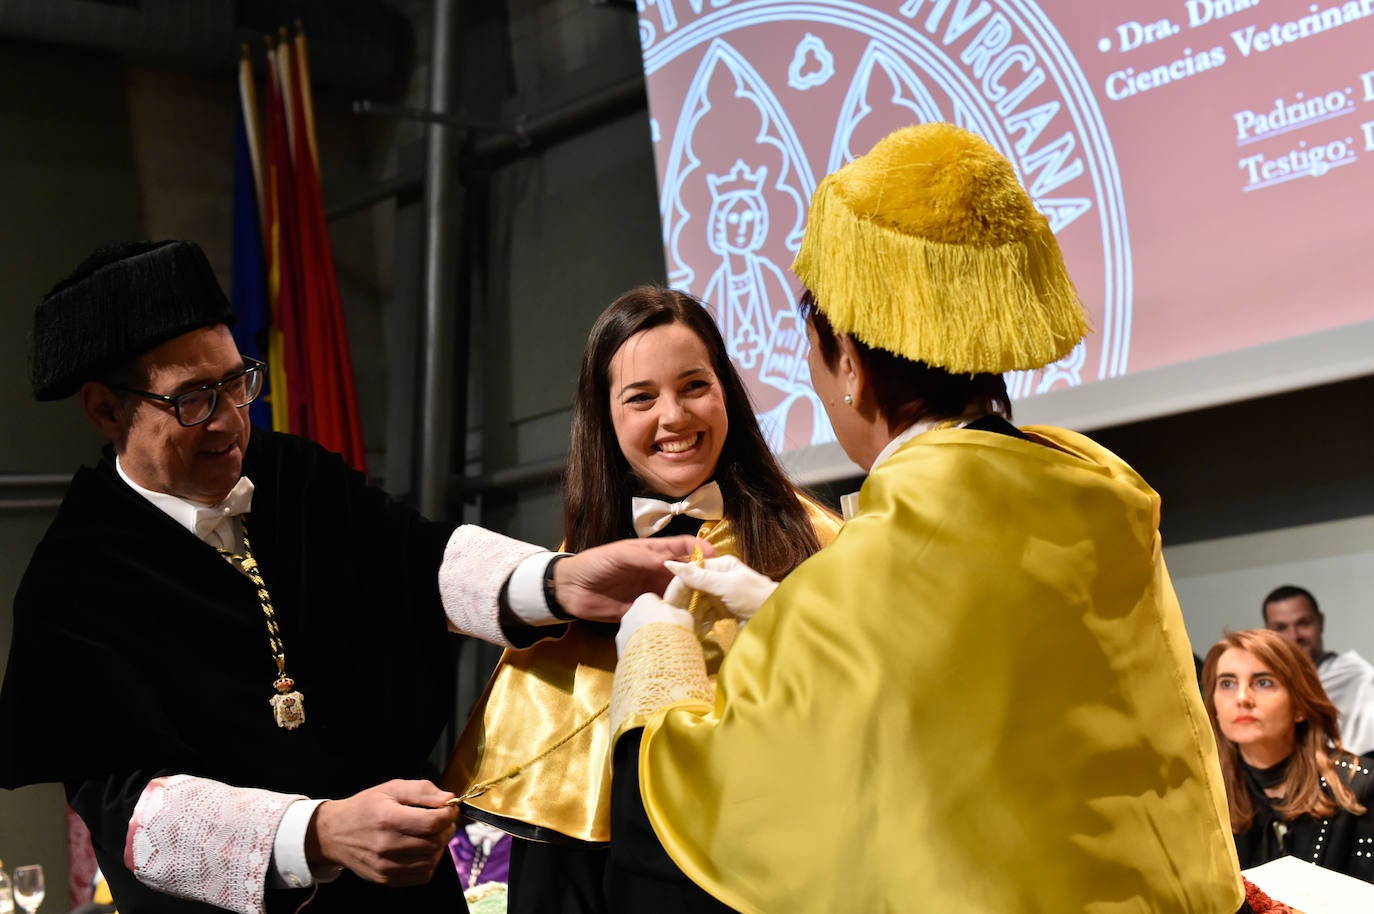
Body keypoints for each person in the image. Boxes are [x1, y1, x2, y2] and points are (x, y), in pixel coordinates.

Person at [603, 123, 1248, 912]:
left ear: (848, 360)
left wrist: (657, 664)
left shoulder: (877, 561)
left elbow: (713, 829)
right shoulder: (1100, 494)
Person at [0, 241, 705, 914]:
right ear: (103, 408)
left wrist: (557, 582)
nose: (229, 424)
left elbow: (419, 560)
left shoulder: (290, 474)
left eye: (236, 382)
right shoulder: (73, 584)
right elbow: (135, 812)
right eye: (192, 399)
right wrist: (317, 833)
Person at [443, 285, 841, 913]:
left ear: (726, 392)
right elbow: (557, 850)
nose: (675, 416)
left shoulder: (821, 542)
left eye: (694, 386)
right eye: (641, 398)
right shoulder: (579, 578)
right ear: (605, 417)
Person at [1201, 629, 1374, 882]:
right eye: (1227, 683)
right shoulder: (1204, 793)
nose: (1242, 698)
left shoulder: (1362, 787)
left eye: (1263, 682)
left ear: (1300, 706)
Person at [1262, 584, 1374, 754]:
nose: (1294, 636)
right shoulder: (1261, 688)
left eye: (1303, 623)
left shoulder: (1358, 679)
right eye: (1281, 628)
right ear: (1268, 632)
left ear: (1320, 621)